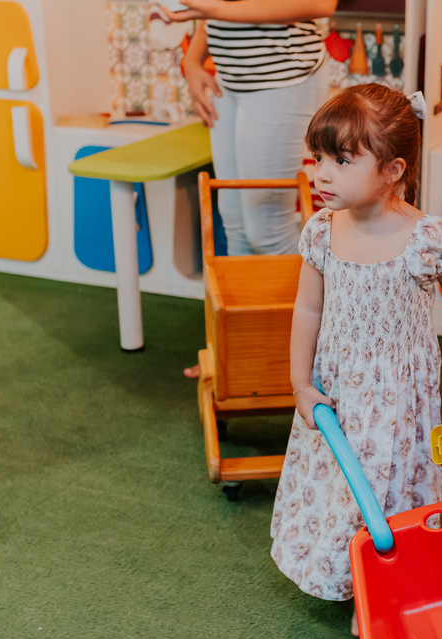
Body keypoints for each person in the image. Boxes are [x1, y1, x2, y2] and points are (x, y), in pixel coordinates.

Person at [270, 84, 442, 634]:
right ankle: (344, 573)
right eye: (319, 158)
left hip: (398, 394)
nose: (321, 174)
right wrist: (301, 383)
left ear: (394, 169)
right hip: (340, 385)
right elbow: (307, 309)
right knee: (341, 481)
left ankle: (377, 590)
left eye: (342, 161)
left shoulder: (425, 237)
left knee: (385, 486)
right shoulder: (322, 232)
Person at [154, 0, 335, 379]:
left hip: (283, 79)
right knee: (234, 221)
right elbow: (218, 9)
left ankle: (334, 349)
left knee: (266, 226)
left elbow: (319, 3)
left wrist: (214, 10)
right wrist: (192, 62)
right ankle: (238, 353)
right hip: (232, 82)